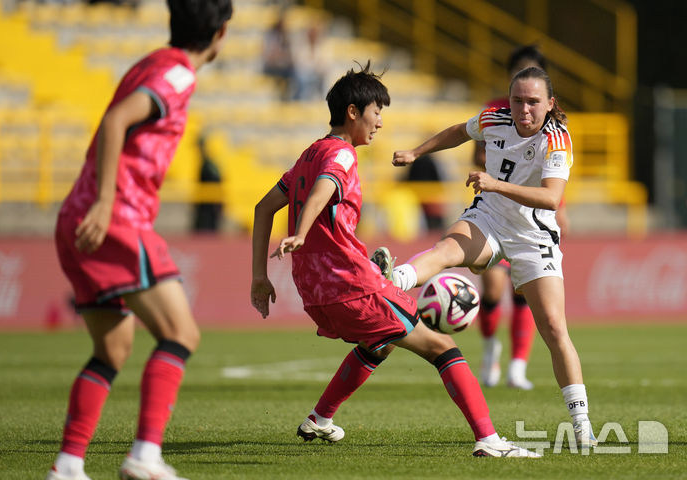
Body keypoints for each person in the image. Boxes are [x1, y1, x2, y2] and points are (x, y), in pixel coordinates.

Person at [250, 62, 540, 458]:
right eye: (376, 112)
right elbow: (325, 186)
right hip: (351, 286)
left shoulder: (308, 154)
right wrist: (300, 231)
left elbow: (263, 207)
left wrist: (259, 277)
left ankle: (320, 418)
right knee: (444, 348)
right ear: (353, 112)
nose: (380, 122)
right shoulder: (342, 155)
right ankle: (489, 440)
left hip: (314, 292)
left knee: (380, 343)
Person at [47, 1, 232, 479]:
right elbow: (115, 122)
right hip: (117, 217)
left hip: (77, 217)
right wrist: (106, 203)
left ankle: (67, 466)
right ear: (222, 33)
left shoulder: (151, 62)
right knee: (181, 333)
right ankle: (145, 456)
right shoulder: (177, 76)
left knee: (113, 350)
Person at [372, 66, 597, 448]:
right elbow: (459, 132)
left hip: (533, 235)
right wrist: (416, 151)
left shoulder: (557, 140)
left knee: (556, 329)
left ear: (550, 104)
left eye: (533, 102)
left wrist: (495, 183)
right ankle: (393, 281)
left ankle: (581, 424)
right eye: (517, 100)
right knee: (446, 249)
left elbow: (551, 198)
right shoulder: (494, 119)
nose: (524, 109)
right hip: (489, 218)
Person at [471, 45, 569, 390]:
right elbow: (477, 150)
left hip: (533, 221)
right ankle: (489, 351)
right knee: (494, 290)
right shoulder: (496, 112)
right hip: (497, 211)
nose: (525, 103)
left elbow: (553, 177)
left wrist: (562, 211)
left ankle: (517, 365)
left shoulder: (554, 127)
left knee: (525, 295)